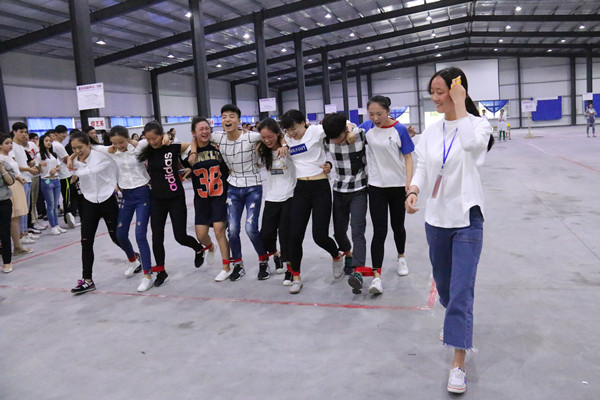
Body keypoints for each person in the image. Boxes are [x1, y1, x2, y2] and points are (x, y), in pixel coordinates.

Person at [405, 67, 493, 394]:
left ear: (458, 91)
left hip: (467, 219)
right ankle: (455, 324)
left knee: (460, 293)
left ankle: (458, 364)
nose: (435, 97)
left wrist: (461, 105)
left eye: (440, 91)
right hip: (436, 221)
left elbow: (472, 147)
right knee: (444, 288)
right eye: (432, 92)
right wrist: (413, 190)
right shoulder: (431, 131)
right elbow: (423, 166)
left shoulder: (479, 125)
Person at [189, 104, 271, 282]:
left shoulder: (251, 136)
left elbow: (272, 135)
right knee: (232, 230)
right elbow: (197, 136)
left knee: (250, 229)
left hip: (253, 187)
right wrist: (194, 150)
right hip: (233, 188)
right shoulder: (218, 136)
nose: (227, 119)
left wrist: (282, 145)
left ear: (239, 120)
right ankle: (238, 265)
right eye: (224, 116)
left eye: (232, 116)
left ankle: (264, 261)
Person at [67, 132, 142, 294]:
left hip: (108, 199)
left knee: (117, 237)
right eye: (74, 148)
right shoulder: (74, 161)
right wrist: (71, 158)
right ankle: (87, 280)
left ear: (89, 144)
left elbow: (114, 151)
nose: (77, 151)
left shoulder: (102, 154)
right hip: (88, 202)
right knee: (86, 242)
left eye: (80, 147)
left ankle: (134, 256)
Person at [280, 109, 344, 294]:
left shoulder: (316, 131)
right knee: (294, 235)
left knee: (320, 236)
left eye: (294, 128)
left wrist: (329, 164)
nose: (291, 133)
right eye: (288, 130)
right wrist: (283, 142)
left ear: (303, 123)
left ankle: (336, 255)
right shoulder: (288, 138)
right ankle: (296, 277)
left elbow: (339, 126)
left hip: (320, 188)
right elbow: (279, 136)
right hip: (301, 188)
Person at [137, 121, 205, 288]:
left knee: (180, 236)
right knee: (156, 236)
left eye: (155, 138)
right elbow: (129, 143)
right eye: (148, 139)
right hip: (156, 199)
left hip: (175, 197)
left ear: (161, 136)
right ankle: (161, 271)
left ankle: (198, 248)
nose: (152, 142)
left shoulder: (173, 147)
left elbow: (194, 142)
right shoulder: (146, 150)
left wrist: (191, 161)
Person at [358, 96, 414, 294]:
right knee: (379, 231)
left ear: (388, 112)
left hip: (397, 186)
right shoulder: (366, 128)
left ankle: (401, 257)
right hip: (376, 187)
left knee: (398, 226)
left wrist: (409, 182)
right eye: (371, 114)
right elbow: (348, 130)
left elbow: (408, 157)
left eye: (379, 114)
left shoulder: (400, 129)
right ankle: (377, 277)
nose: (375, 118)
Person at [94, 126, 153, 291]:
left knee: (140, 235)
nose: (118, 146)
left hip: (142, 193)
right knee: (120, 234)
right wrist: (71, 157)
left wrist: (134, 141)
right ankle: (133, 260)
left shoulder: (138, 147)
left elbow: (156, 137)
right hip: (126, 195)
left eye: (121, 142)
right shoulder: (112, 151)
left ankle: (148, 275)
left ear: (127, 138)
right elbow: (92, 146)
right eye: (114, 143)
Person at [321, 113, 369, 290]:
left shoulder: (359, 136)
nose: (336, 141)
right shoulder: (327, 140)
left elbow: (372, 127)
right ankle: (348, 252)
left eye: (339, 137)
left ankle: (358, 270)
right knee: (339, 232)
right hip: (339, 190)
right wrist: (328, 164)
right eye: (332, 138)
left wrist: (351, 129)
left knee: (357, 230)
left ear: (345, 130)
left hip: (359, 189)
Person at [186, 117, 231, 282]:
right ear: (194, 133)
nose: (205, 132)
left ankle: (226, 267)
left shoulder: (218, 147)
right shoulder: (188, 151)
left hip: (219, 196)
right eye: (201, 129)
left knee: (219, 230)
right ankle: (210, 247)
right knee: (201, 235)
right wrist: (192, 150)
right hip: (201, 199)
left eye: (207, 128)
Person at [256, 118, 296, 286]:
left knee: (285, 235)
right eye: (263, 137)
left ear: (278, 134)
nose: (267, 140)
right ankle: (276, 255)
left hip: (289, 196)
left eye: (270, 136)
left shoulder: (289, 147)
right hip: (272, 197)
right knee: (266, 234)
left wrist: (285, 144)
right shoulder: (263, 152)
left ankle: (290, 269)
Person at [10, 122, 40, 245]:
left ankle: (25, 232)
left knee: (26, 209)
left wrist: (30, 167)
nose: (24, 134)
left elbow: (23, 163)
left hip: (27, 179)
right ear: (14, 132)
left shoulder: (21, 147)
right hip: (19, 181)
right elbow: (12, 166)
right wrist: (28, 169)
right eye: (21, 132)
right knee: (21, 210)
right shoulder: (12, 146)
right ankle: (21, 235)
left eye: (25, 132)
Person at [38, 133, 66, 235]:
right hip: (47, 180)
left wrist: (56, 169)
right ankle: (53, 226)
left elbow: (59, 166)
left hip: (56, 179)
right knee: (50, 204)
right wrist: (39, 165)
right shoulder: (39, 155)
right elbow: (38, 171)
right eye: (46, 141)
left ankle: (57, 224)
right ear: (42, 143)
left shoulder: (53, 154)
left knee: (55, 204)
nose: (49, 143)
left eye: (50, 141)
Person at [53, 125, 78, 229]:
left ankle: (70, 218)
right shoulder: (57, 145)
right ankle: (69, 218)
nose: (64, 135)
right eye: (62, 133)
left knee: (69, 197)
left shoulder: (57, 144)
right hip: (64, 175)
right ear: (56, 134)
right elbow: (67, 159)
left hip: (64, 174)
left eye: (65, 132)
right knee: (69, 197)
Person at [0, 147, 16, 273]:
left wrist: (2, 169)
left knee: (4, 233)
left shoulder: (5, 164)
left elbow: (10, 182)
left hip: (3, 202)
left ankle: (7, 261)